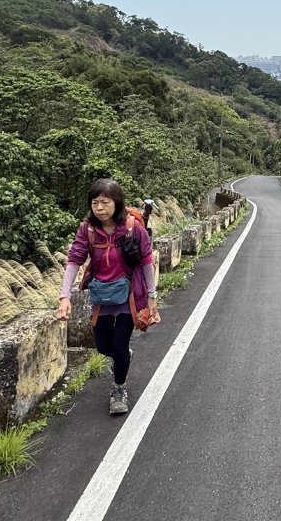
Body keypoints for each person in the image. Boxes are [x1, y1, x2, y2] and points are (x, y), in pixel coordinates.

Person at [56, 178, 158, 415]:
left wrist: (151, 296)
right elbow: (74, 260)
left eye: (105, 202)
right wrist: (64, 297)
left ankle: (119, 389)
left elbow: (146, 261)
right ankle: (122, 356)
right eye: (94, 203)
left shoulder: (133, 228)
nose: (99, 208)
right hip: (102, 295)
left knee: (119, 344)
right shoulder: (88, 230)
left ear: (117, 202)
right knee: (103, 346)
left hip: (129, 296)